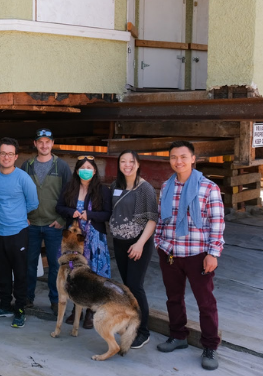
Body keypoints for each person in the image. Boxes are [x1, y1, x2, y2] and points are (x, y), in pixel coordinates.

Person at [155, 141, 224, 371]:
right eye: (174, 157)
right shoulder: (166, 186)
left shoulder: (208, 188)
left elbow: (217, 224)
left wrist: (213, 253)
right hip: (170, 253)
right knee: (173, 298)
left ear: (193, 159)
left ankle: (210, 346)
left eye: (183, 157)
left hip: (197, 254)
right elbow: (161, 218)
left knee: (205, 303)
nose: (179, 161)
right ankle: (178, 336)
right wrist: (159, 243)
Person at [0, 137, 38, 329]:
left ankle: (20, 308)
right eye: (3, 153)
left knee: (20, 273)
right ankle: (5, 305)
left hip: (18, 233)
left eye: (10, 154)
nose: (6, 157)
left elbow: (33, 203)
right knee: (0, 272)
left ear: (16, 156)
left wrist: (20, 216)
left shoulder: (23, 178)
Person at [56, 155, 112, 329]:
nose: (86, 171)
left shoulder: (102, 190)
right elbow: (59, 207)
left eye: (89, 168)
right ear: (77, 171)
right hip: (74, 241)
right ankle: (75, 309)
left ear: (94, 170)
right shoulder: (70, 188)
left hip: (94, 240)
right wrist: (71, 211)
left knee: (93, 275)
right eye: (82, 168)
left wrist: (91, 215)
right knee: (74, 274)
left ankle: (90, 312)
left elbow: (107, 214)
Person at [110, 150, 158, 350]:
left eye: (131, 161)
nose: (127, 165)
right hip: (119, 242)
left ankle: (143, 331)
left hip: (138, 242)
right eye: (123, 161)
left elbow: (152, 219)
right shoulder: (115, 186)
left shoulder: (144, 188)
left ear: (138, 164)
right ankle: (131, 323)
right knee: (127, 287)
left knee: (135, 286)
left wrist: (139, 244)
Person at [20, 129, 71, 314]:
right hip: (31, 223)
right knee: (29, 262)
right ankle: (27, 298)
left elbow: (69, 195)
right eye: (40, 142)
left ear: (52, 143)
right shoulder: (27, 165)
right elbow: (20, 192)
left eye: (47, 142)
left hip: (53, 225)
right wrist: (22, 216)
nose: (44, 145)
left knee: (56, 265)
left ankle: (56, 300)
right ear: (35, 144)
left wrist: (61, 219)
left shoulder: (62, 167)